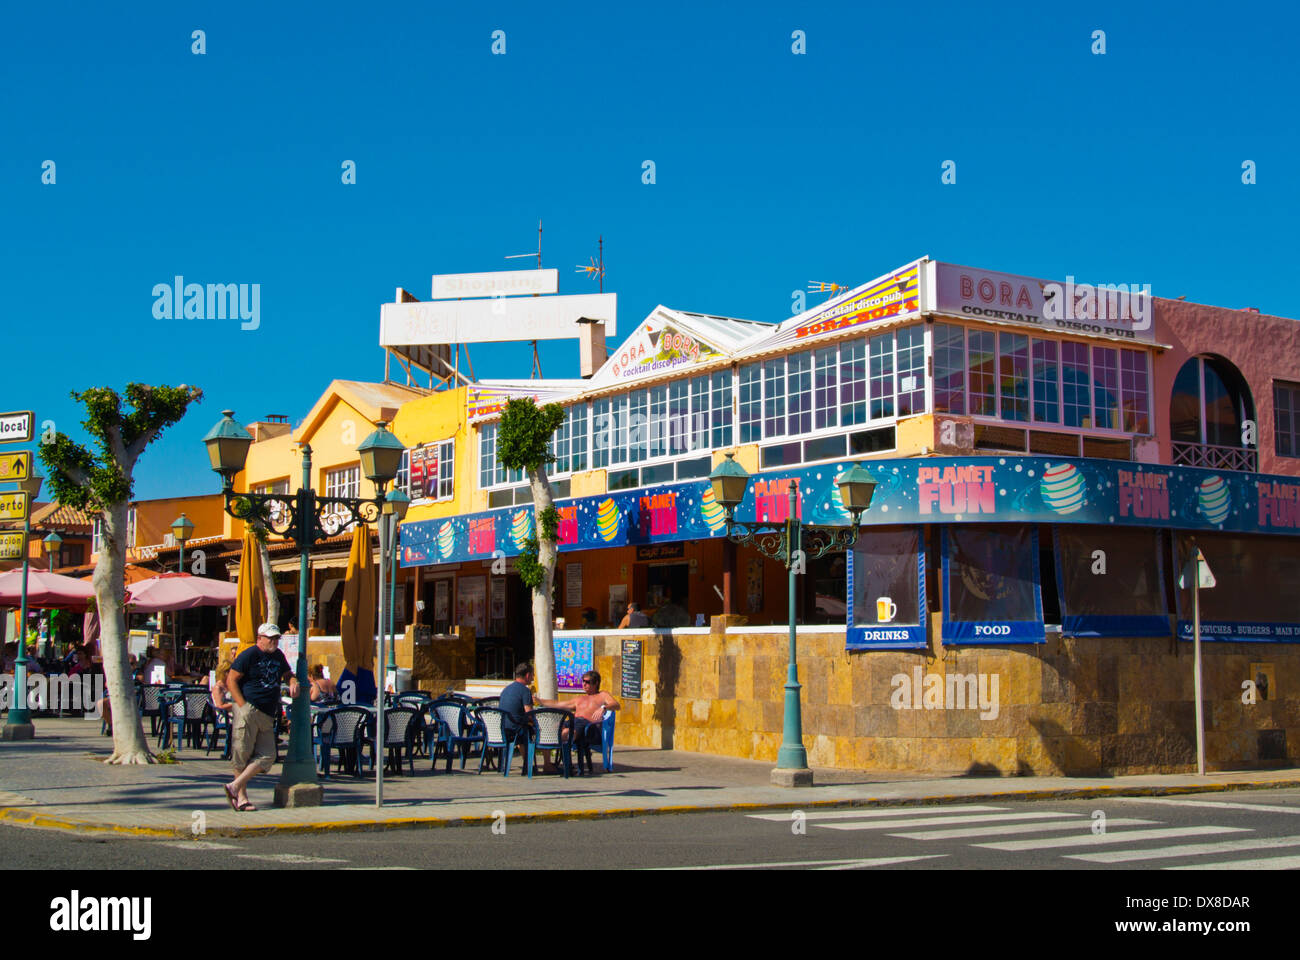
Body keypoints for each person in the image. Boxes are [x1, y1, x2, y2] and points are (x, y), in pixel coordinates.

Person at [224, 623, 297, 812]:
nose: (274, 642)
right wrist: (242, 705)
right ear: (260, 638)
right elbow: (231, 680)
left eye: (276, 638)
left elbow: (287, 672)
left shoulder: (278, 656)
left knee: (268, 755)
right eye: (270, 638)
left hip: (267, 712)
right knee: (242, 752)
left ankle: (234, 786)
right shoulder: (249, 655)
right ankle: (241, 797)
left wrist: (293, 680)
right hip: (249, 708)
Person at [564, 670, 620, 757]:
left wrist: (603, 708)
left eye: (587, 682)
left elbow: (616, 705)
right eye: (583, 681)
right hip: (574, 722)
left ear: (596, 683)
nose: (584, 684)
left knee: (566, 733)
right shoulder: (581, 698)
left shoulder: (602, 694)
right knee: (556, 727)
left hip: (588, 728)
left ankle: (566, 762)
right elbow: (562, 705)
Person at [497, 661, 537, 749]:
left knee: (523, 727)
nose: (533, 678)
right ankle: (530, 760)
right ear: (527, 675)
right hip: (516, 731)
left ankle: (526, 760)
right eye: (532, 675)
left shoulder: (506, 690)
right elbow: (529, 714)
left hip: (502, 729)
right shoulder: (525, 691)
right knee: (538, 730)